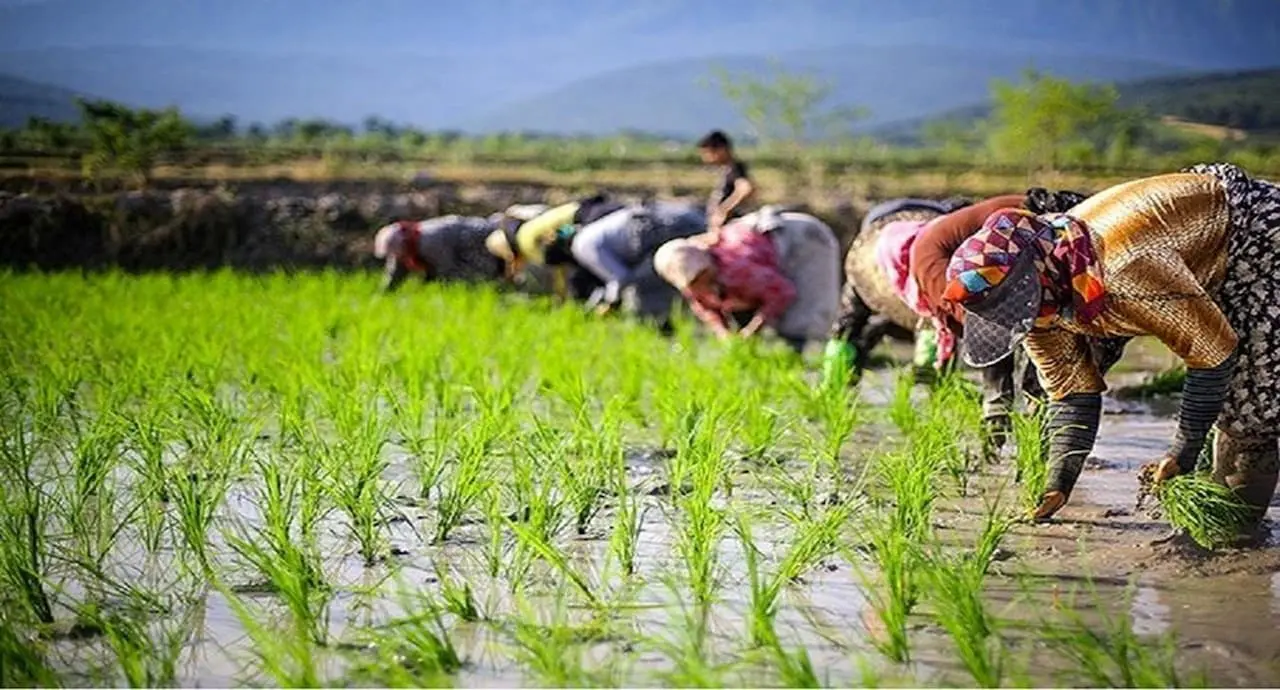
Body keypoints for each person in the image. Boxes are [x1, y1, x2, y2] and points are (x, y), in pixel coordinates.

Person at [942, 163, 1280, 536]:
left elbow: (1213, 355)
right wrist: (1058, 485)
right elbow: (1073, 394)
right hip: (1184, 258)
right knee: (1215, 405)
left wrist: (1180, 451)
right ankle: (1210, 494)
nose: (1026, 318)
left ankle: (1237, 531)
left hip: (1254, 238)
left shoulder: (1124, 269)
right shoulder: (1042, 302)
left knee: (1249, 403)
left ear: (1037, 278)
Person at [908, 189, 1132, 458]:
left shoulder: (1056, 232)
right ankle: (997, 415)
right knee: (995, 323)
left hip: (1007, 244)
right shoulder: (1009, 232)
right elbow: (992, 322)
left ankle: (1035, 420)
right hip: (943, 253)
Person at [823, 197, 972, 387]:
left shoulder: (875, 237)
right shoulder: (945, 228)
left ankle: (834, 382)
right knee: (935, 314)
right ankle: (932, 374)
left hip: (875, 261)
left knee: (847, 324)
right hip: (915, 264)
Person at [654, 210, 840, 353]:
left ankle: (806, 357)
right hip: (768, 243)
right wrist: (724, 335)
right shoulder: (693, 285)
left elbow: (782, 293)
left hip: (804, 238)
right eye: (691, 281)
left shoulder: (736, 268)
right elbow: (706, 309)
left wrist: (752, 330)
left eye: (698, 276)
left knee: (804, 316)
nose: (696, 284)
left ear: (706, 266)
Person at [569, 200, 707, 331]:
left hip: (661, 233)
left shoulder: (581, 246)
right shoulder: (594, 232)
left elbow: (621, 278)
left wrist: (609, 303)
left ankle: (666, 341)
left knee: (643, 294)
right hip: (687, 218)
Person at [484, 194, 624, 301]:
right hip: (593, 210)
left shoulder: (527, 245)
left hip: (590, 223)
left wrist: (561, 299)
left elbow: (559, 266)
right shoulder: (527, 229)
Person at [373, 215, 505, 293]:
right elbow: (395, 273)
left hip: (474, 236)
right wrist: (385, 293)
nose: (395, 257)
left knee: (485, 271)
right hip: (459, 241)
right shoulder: (403, 250)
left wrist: (428, 286)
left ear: (403, 245)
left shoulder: (428, 241)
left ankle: (500, 287)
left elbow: (447, 268)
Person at [697, 130, 756, 235]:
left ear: (721, 150)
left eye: (707, 153)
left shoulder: (735, 168)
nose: (705, 158)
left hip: (731, 229)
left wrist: (724, 210)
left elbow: (746, 188)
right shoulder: (727, 169)